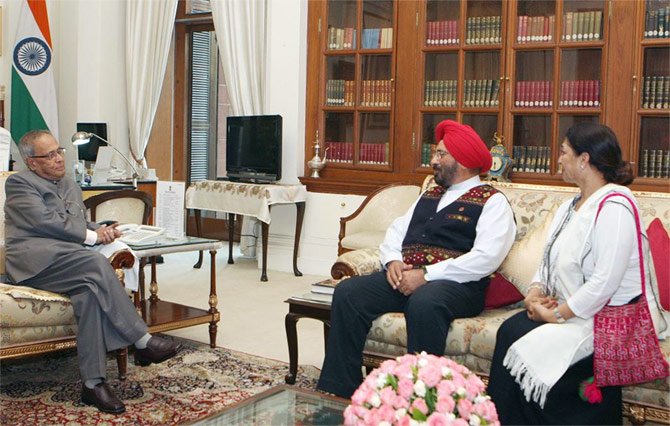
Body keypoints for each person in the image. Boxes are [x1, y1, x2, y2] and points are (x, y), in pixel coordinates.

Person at [317, 120, 517, 398]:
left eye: (440, 154)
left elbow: (486, 259)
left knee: (425, 302)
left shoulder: (492, 201)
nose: (433, 161)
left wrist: (425, 276)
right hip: (407, 276)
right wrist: (393, 262)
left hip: (458, 286)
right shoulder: (429, 193)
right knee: (349, 292)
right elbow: (396, 232)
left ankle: (418, 399)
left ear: (462, 160)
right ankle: (340, 390)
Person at [487, 123, 667, 425]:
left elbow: (605, 282)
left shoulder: (616, 206)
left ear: (584, 160)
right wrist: (533, 294)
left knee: (517, 335)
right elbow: (547, 261)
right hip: (572, 311)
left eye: (563, 153)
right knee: (511, 330)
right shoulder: (569, 206)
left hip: (604, 319)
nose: (558, 159)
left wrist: (556, 315)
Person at [4, 130, 182, 414]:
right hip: (34, 263)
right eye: (48, 155)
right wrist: (92, 237)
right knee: (97, 264)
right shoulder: (19, 183)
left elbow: (77, 221)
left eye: (59, 151)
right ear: (31, 162)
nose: (58, 159)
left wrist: (102, 228)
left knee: (88, 293)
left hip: (71, 260)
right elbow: (43, 222)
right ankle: (142, 341)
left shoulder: (69, 184)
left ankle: (93, 383)